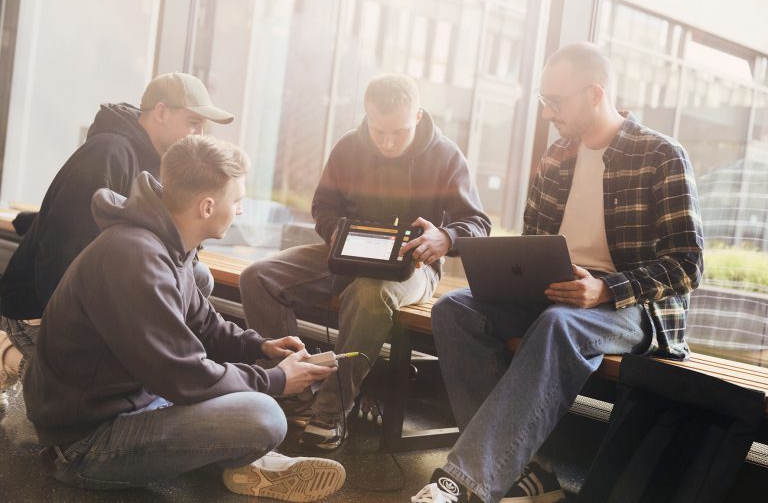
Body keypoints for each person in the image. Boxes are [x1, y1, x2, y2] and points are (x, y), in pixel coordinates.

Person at [412, 42, 704, 503]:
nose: (547, 112)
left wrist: (604, 288)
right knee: (455, 309)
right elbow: (531, 247)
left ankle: (465, 483)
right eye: (543, 101)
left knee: (557, 323)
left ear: (593, 93)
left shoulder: (661, 155)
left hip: (631, 308)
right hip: (557, 295)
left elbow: (687, 265)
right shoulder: (556, 158)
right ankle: (525, 474)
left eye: (556, 101)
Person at [22, 135, 346, 501]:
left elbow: (204, 324)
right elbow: (183, 375)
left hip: (139, 403)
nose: (240, 210)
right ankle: (241, 462)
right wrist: (276, 380)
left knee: (249, 406)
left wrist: (260, 345)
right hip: (83, 444)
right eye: (236, 201)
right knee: (264, 416)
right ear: (207, 206)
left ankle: (240, 465)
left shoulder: (170, 246)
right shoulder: (134, 256)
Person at [239, 73, 491, 450]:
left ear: (418, 116)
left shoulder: (446, 155)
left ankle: (330, 411)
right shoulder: (348, 147)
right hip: (347, 252)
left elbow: (478, 223)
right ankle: (295, 391)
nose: (388, 143)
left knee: (369, 293)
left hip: (414, 264)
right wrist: (339, 237)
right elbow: (323, 207)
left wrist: (446, 236)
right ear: (366, 116)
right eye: (379, 131)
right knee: (257, 277)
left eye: (398, 132)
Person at [0, 72, 233, 405]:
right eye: (193, 122)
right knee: (105, 393)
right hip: (39, 306)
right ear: (162, 113)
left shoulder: (160, 166)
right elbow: (63, 249)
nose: (198, 134)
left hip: (107, 290)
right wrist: (86, 336)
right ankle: (11, 354)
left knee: (198, 278)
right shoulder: (108, 154)